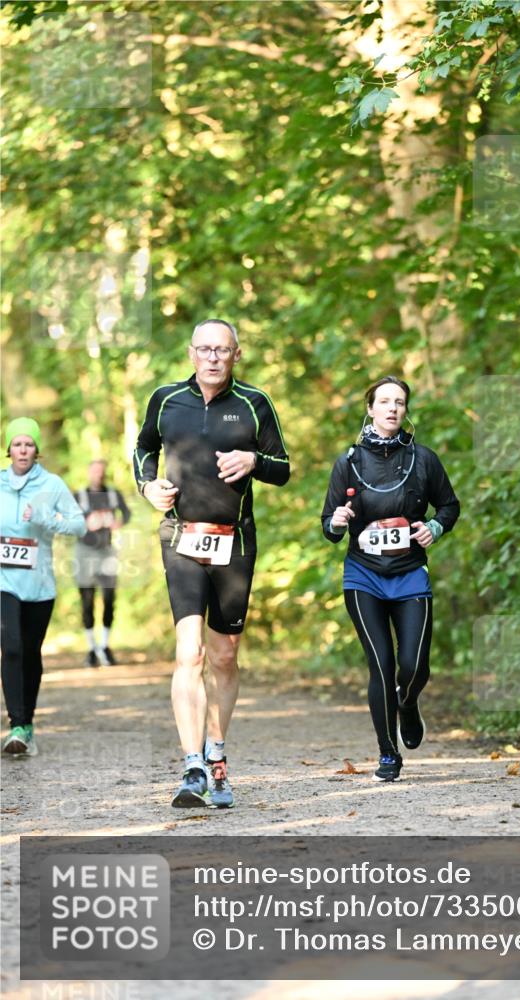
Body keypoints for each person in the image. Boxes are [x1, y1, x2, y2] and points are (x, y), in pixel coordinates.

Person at [134, 318, 290, 808]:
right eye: (204, 349)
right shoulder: (164, 400)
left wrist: (254, 462)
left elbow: (283, 469)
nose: (213, 357)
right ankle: (192, 766)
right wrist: (147, 486)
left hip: (234, 543)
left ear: (236, 355)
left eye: (222, 350)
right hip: (180, 537)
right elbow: (144, 448)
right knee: (190, 654)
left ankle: (217, 753)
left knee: (223, 656)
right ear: (191, 353)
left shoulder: (254, 403)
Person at [321, 376, 460, 782]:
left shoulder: (424, 459)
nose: (392, 408)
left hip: (410, 573)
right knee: (380, 664)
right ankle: (388, 753)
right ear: (370, 408)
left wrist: (433, 529)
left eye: (399, 402)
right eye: (384, 401)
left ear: (405, 410)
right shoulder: (348, 462)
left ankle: (408, 701)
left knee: (413, 665)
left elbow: (449, 506)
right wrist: (337, 520)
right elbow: (328, 526)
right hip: (363, 575)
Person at [1, 417, 86, 756]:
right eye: (17, 443)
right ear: (8, 449)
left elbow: (78, 525)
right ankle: (16, 726)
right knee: (12, 646)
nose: (23, 449)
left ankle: (28, 725)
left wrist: (46, 520)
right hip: (3, 581)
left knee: (31, 653)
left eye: (29, 444)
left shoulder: (51, 485)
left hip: (39, 584)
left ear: (37, 450)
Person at [74, 459, 131, 667]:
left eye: (101, 471)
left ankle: (105, 645)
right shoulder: (79, 495)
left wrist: (119, 522)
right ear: (89, 473)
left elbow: (127, 513)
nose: (98, 475)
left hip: (107, 552)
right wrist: (85, 523)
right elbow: (67, 519)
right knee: (87, 600)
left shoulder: (113, 494)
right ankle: (91, 648)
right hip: (85, 552)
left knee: (109, 598)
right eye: (95, 471)